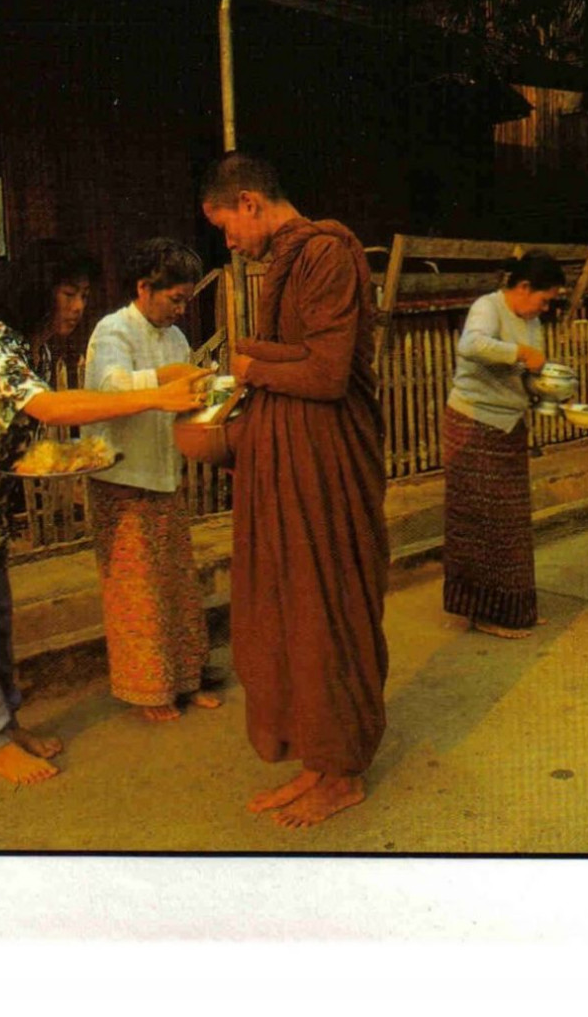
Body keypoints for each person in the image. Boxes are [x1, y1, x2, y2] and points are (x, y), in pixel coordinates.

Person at [0, 241, 210, 785]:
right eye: (68, 293)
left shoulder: (35, 352)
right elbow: (50, 409)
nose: (78, 306)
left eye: (82, 295)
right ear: (37, 291)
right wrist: (153, 397)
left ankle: (8, 723)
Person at [201, 150, 389, 829]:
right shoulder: (286, 258)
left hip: (327, 467)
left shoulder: (325, 253)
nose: (230, 242)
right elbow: (295, 355)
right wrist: (254, 360)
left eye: (226, 226)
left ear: (250, 202)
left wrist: (253, 362)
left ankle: (343, 774)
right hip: (293, 463)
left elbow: (329, 371)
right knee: (291, 616)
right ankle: (317, 758)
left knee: (325, 610)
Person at [83, 237, 221, 722]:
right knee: (136, 592)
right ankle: (149, 692)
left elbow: (182, 393)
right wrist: (167, 378)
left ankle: (185, 679)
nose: (182, 310)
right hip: (121, 477)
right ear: (144, 288)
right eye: (175, 299)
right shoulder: (112, 331)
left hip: (164, 473)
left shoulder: (177, 338)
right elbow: (109, 386)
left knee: (177, 586)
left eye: (187, 300)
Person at [442, 250, 565, 640]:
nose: (545, 309)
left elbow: (529, 376)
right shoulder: (488, 307)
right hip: (473, 423)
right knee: (482, 523)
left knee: (510, 524)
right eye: (544, 300)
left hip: (509, 425)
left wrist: (552, 395)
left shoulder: (531, 323)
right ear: (524, 287)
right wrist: (519, 353)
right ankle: (483, 613)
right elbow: (471, 345)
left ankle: (515, 609)